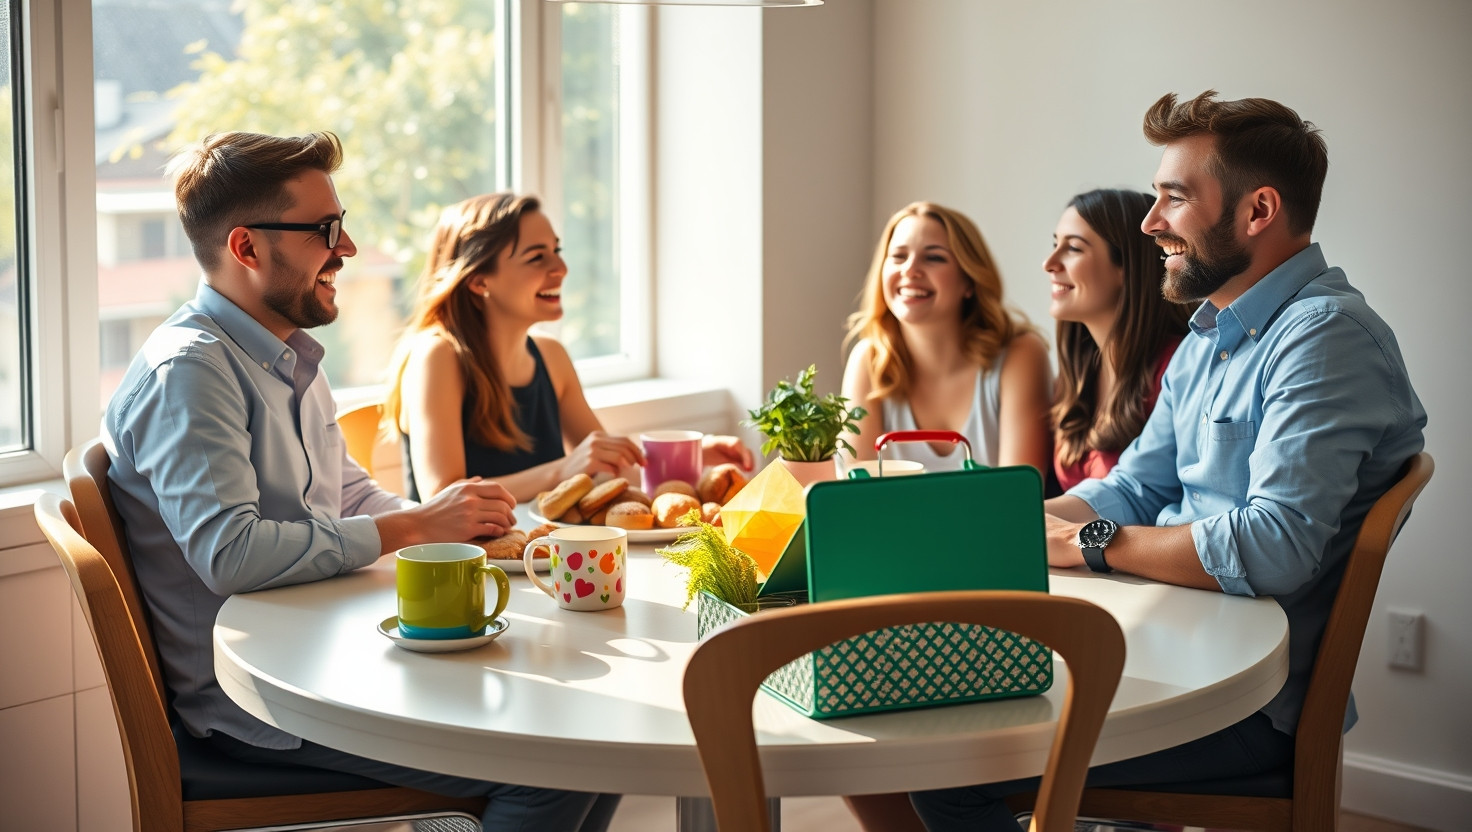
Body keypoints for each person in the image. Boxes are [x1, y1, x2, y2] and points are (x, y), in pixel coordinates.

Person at [909, 91, 1426, 831]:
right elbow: (1138, 484)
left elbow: (1276, 546)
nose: (1151, 223)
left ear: (1258, 212)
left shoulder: (1325, 340)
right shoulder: (1210, 335)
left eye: (1173, 199)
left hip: (1243, 699)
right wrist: (995, 522)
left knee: (947, 759)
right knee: (939, 695)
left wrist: (1091, 546)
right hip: (1174, 643)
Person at [102, 131, 619, 831]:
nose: (345, 248)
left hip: (322, 656)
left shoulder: (282, 353)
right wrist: (413, 527)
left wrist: (455, 529)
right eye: (325, 230)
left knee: (590, 739)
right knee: (557, 765)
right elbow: (230, 554)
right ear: (247, 248)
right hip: (260, 706)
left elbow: (349, 496)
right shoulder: (192, 372)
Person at [385, 192, 752, 503]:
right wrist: (563, 469)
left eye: (556, 251)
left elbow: (611, 465)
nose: (561, 268)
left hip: (541, 563)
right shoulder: (437, 356)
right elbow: (445, 497)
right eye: (537, 257)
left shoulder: (551, 356)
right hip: (462, 576)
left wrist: (692, 458)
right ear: (480, 280)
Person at [840, 202, 1052, 474]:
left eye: (934, 258)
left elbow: (1019, 497)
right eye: (898, 256)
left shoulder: (1021, 354)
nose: (910, 270)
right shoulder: (868, 359)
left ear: (969, 281)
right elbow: (853, 492)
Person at [1045, 189, 1191, 492]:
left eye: (1073, 248)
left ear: (1127, 267)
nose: (1049, 263)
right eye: (1055, 244)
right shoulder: (1077, 375)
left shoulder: (1177, 367)